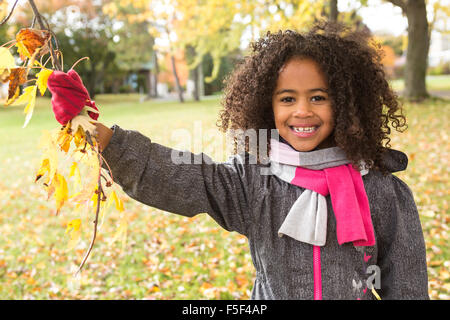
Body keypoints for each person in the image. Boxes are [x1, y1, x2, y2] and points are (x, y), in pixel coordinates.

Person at [47, 21, 429, 300]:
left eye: (318, 97)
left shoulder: (382, 191)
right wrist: (104, 136)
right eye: (287, 99)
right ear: (266, 105)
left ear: (345, 102)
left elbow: (407, 286)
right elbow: (185, 179)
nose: (302, 112)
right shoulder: (254, 180)